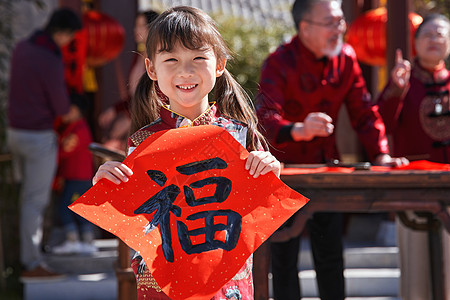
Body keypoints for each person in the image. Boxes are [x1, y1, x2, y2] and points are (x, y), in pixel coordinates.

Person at [92, 6, 281, 299]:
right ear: (151, 69)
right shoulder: (142, 143)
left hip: (225, 286)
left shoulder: (239, 135)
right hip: (164, 286)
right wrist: (105, 185)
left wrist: (270, 175)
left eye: (198, 58)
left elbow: (257, 219)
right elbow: (133, 225)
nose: (185, 71)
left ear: (219, 64)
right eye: (171, 59)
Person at [255, 0, 408, 299]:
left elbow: (363, 113)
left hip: (326, 170)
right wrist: (298, 129)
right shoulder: (279, 61)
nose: (339, 29)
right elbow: (263, 118)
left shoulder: (346, 59)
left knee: (331, 256)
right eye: (331, 23)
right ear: (304, 27)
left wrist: (381, 154)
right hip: (283, 174)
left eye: (340, 22)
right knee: (284, 259)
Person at [376, 14, 450, 300]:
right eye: (427, 34)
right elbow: (380, 124)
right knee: (417, 267)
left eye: (441, 34)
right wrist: (395, 89)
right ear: (416, 43)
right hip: (413, 185)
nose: (435, 39)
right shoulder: (402, 81)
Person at [7, 8, 82, 279]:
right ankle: (31, 263)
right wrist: (72, 112)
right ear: (63, 33)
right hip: (38, 136)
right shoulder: (49, 57)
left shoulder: (22, 47)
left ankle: (26, 258)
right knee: (34, 203)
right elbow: (61, 106)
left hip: (15, 133)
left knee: (24, 199)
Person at [98, 10, 159, 152]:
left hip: (149, 120)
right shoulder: (139, 56)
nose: (135, 30)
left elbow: (153, 96)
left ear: (152, 28)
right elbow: (134, 93)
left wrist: (129, 119)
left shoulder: (159, 57)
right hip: (136, 116)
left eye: (140, 25)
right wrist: (115, 110)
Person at [52, 97, 98, 255]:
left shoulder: (77, 130)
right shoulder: (77, 127)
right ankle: (86, 241)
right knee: (78, 208)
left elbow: (64, 150)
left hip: (77, 178)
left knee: (66, 208)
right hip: (79, 177)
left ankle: (74, 241)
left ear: (74, 110)